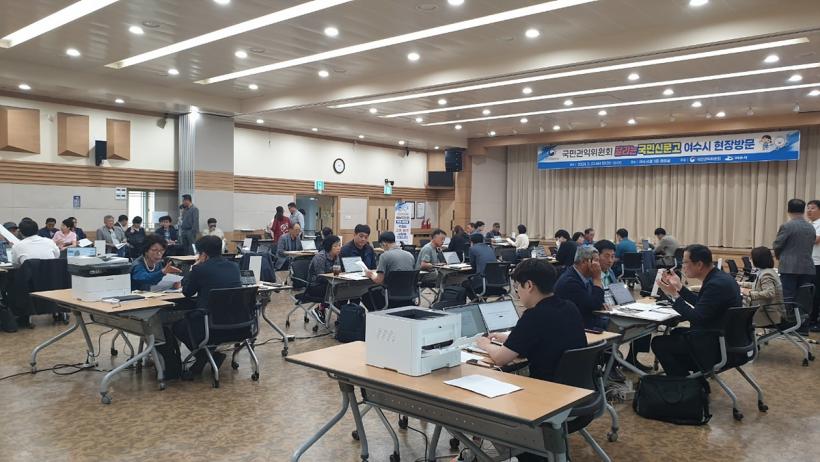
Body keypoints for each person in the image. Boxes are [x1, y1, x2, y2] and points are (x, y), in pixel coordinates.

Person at [478, 258, 587, 381]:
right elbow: (546, 340)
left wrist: (486, 345)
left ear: (528, 285)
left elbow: (500, 358)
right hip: (578, 386)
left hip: (549, 386)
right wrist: (509, 339)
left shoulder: (533, 316)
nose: (517, 292)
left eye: (517, 286)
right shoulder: (570, 307)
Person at [652, 244, 741, 376]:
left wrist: (675, 295)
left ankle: (684, 383)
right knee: (676, 332)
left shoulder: (715, 284)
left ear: (699, 264)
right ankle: (691, 378)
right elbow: (702, 304)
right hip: (726, 338)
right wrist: (680, 288)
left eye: (685, 262)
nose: (682, 266)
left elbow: (696, 317)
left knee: (658, 343)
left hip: (714, 346)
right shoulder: (720, 278)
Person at [172, 235, 241, 378]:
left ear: (203, 254)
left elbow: (187, 292)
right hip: (237, 324)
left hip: (210, 325)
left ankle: (204, 357)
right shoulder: (234, 267)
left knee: (178, 326)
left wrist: (193, 269)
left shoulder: (200, 269)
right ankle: (208, 357)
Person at [598, 239, 651, 371]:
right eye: (606, 256)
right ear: (596, 256)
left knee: (646, 322)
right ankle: (611, 365)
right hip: (604, 314)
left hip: (617, 310)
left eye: (612, 256)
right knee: (628, 326)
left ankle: (632, 358)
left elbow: (616, 291)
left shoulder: (610, 272)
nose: (610, 260)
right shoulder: (592, 275)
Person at [772, 198, 816, 307]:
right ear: (803, 210)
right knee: (803, 298)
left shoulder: (787, 226)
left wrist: (779, 256)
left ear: (789, 210)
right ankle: (801, 317)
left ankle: (789, 317)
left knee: (788, 297)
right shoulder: (811, 227)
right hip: (807, 267)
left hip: (789, 267)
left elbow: (777, 245)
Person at [554, 245, 605, 329]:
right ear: (584, 262)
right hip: (578, 327)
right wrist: (597, 279)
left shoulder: (586, 277)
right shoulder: (570, 282)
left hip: (589, 321)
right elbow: (594, 305)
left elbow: (598, 301)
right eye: (596, 261)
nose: (599, 265)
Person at [364, 231, 416, 309]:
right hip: (409, 296)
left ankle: (379, 314)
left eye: (381, 246)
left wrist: (371, 275)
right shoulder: (410, 255)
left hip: (390, 297)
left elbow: (379, 280)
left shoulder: (384, 256)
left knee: (365, 295)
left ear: (384, 243)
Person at [740, 246, 786, 326]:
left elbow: (769, 293)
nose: (750, 260)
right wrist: (740, 284)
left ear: (758, 259)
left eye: (751, 258)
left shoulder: (766, 274)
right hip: (766, 310)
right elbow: (757, 285)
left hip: (769, 314)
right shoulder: (766, 271)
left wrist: (749, 293)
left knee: (737, 312)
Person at [307, 235, 342, 324]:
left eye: (339, 245)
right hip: (315, 285)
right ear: (329, 247)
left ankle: (341, 315)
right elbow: (320, 276)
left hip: (329, 283)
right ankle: (320, 308)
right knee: (333, 288)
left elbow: (337, 272)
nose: (338, 248)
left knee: (342, 287)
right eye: (335, 246)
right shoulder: (320, 257)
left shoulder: (336, 256)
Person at [807, 200, 820, 331]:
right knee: (808, 292)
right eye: (808, 208)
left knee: (816, 293)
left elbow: (816, 240)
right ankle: (808, 318)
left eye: (813, 208)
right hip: (808, 263)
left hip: (817, 263)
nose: (809, 210)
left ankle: (814, 320)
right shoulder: (809, 225)